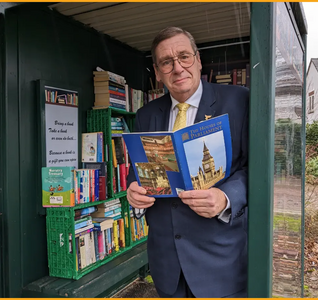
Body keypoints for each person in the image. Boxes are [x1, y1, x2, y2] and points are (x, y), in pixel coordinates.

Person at [126, 26, 249, 298]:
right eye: (167, 62)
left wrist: (225, 197)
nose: (178, 68)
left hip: (220, 264)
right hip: (167, 266)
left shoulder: (239, 100)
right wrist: (133, 189)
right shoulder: (146, 114)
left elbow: (259, 168)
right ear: (157, 73)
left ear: (198, 60)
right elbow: (137, 171)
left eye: (184, 56)